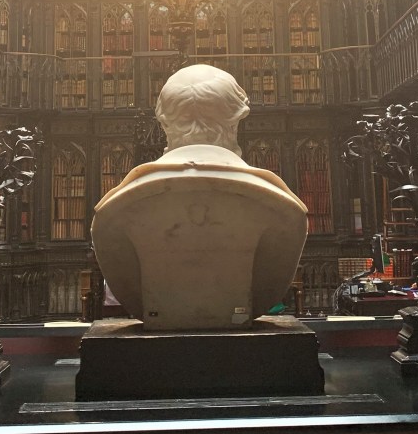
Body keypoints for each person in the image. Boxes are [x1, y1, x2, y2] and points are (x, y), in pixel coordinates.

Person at [91, 64, 308, 330]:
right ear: (237, 120)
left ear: (163, 123)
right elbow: (268, 290)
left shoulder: (113, 210)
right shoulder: (284, 208)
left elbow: (130, 293)